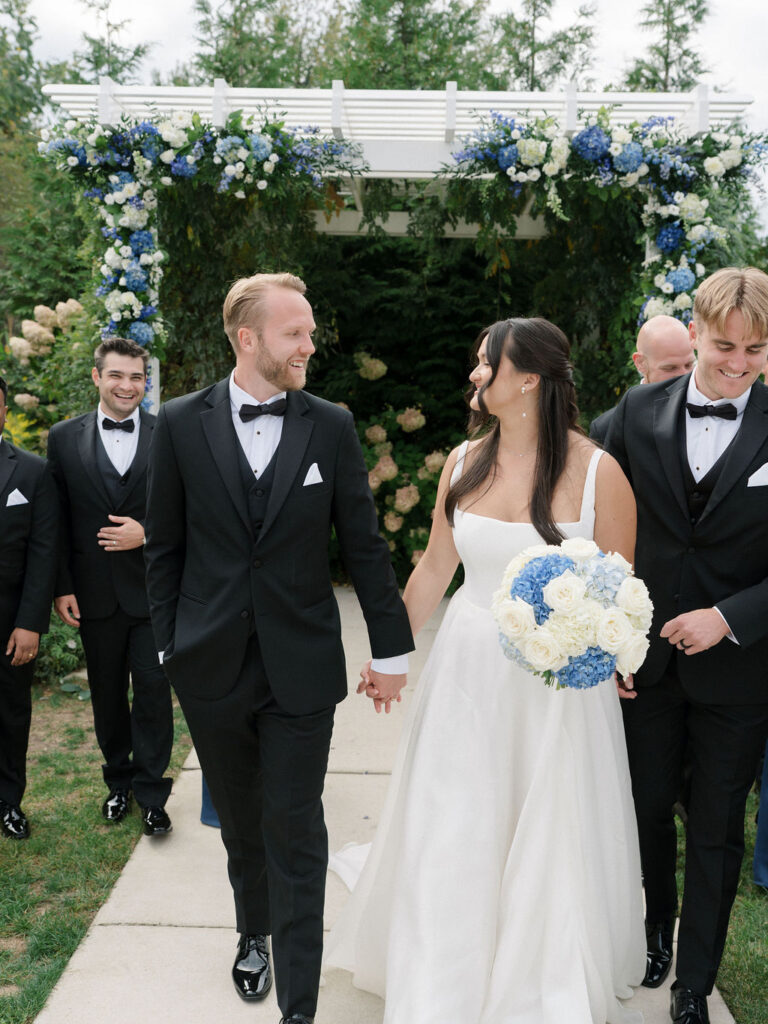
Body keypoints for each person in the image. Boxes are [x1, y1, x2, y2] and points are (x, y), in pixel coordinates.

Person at [325, 318, 646, 1024]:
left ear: (527, 377)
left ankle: (539, 978)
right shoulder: (463, 460)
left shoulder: (600, 472)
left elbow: (620, 591)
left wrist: (598, 655)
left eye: (485, 365)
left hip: (558, 688)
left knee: (549, 825)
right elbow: (437, 566)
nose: (475, 375)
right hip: (468, 671)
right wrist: (389, 657)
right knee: (456, 816)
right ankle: (444, 969)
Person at [143, 272, 413, 1024]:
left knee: (296, 827)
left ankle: (299, 1006)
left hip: (301, 669)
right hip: (208, 664)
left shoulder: (329, 423)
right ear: (248, 337)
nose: (310, 344)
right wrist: (170, 647)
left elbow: (363, 545)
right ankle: (251, 931)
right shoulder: (179, 422)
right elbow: (162, 548)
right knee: (240, 821)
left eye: (311, 330)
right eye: (296, 332)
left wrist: (391, 652)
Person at [605, 267, 768, 1024]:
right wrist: (609, 638)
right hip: (644, 665)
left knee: (713, 827)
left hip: (739, 671)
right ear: (694, 331)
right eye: (725, 345)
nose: (738, 364)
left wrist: (728, 616)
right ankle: (650, 933)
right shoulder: (636, 412)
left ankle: (693, 984)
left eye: (757, 350)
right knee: (640, 808)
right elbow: (594, 521)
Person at [47, 337, 174, 836]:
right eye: (117, 375)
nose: (127, 385)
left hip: (152, 594)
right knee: (105, 694)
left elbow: (190, 511)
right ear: (97, 377)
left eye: (137, 377)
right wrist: (61, 586)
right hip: (93, 594)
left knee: (153, 692)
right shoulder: (62, 437)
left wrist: (148, 532)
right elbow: (54, 517)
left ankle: (152, 794)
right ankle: (117, 783)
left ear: (147, 382)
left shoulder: (168, 434)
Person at [0, 376, 58, 840]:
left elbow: (43, 554)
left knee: (11, 713)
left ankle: (8, 802)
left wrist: (30, 624)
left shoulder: (32, 471)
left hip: (9, 621)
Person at [590, 315, 695, 444]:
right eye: (670, 368)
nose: (684, 375)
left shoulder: (713, 411)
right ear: (640, 363)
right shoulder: (606, 428)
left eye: (689, 365)